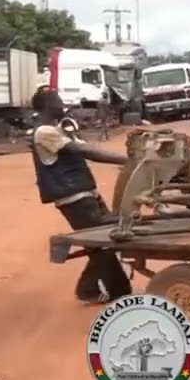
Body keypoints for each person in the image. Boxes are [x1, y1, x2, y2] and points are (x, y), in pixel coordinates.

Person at [29, 89, 132, 303]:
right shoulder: (44, 132)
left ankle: (88, 289)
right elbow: (87, 152)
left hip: (84, 193)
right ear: (47, 105)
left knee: (101, 240)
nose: (62, 104)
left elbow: (89, 149)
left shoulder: (57, 130)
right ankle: (117, 291)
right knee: (101, 242)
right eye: (58, 101)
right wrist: (128, 161)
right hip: (73, 197)